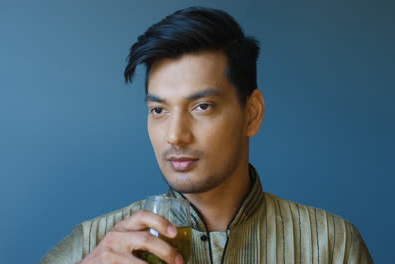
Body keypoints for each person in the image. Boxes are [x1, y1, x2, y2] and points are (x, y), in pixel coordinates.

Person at [39, 6, 373, 264]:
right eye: (159, 110)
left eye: (202, 106)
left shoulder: (332, 244)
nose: (175, 136)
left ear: (252, 113)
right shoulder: (94, 244)